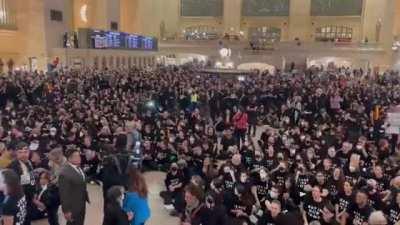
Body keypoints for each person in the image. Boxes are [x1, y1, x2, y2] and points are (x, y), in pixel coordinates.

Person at [58, 148, 89, 225]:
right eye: (76, 156)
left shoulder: (78, 168)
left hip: (81, 203)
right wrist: (66, 210)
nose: (79, 158)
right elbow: (63, 194)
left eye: (79, 156)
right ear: (69, 158)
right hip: (73, 207)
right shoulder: (64, 173)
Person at [8, 142, 35, 225]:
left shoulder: (28, 163)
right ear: (16, 153)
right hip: (19, 202)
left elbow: (29, 181)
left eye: (25, 152)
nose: (23, 154)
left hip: (28, 200)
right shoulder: (13, 166)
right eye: (20, 152)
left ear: (29, 152)